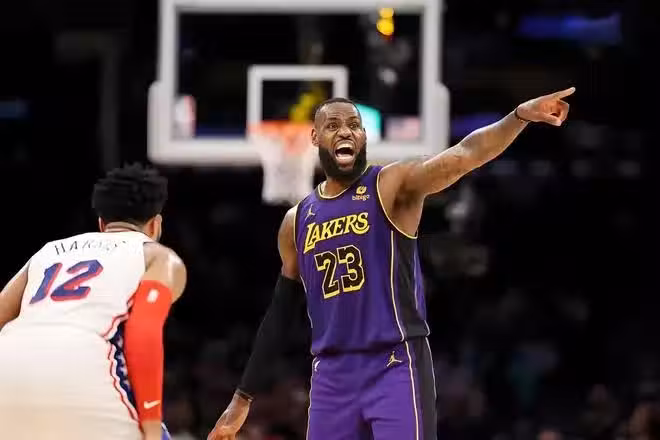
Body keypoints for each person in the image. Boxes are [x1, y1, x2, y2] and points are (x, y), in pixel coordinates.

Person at [208, 88, 575, 440]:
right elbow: (279, 313)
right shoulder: (297, 220)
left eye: (353, 124)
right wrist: (242, 398)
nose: (345, 131)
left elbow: (466, 154)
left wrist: (517, 117)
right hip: (330, 374)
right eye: (333, 125)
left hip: (395, 362)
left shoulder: (391, 185)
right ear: (315, 137)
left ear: (363, 136)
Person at [0, 163, 187, 440]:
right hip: (86, 375)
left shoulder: (48, 252)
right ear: (155, 225)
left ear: (102, 223)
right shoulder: (159, 257)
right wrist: (150, 425)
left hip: (8, 377)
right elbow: (143, 333)